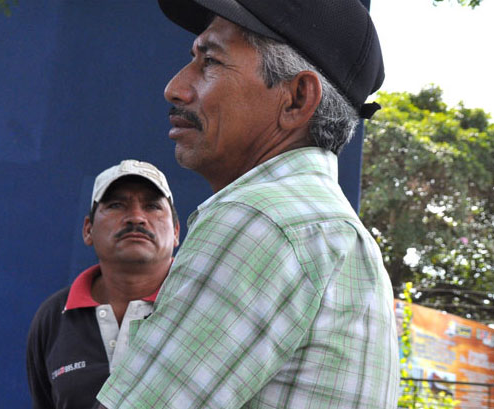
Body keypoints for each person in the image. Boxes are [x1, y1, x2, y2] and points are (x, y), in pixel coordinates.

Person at [96, 1, 399, 408]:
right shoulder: (338, 232)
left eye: (211, 62)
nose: (176, 88)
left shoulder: (260, 219)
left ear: (296, 99)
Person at [26, 160, 180, 409]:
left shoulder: (199, 304)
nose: (137, 218)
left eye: (152, 206)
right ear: (88, 230)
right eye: (117, 205)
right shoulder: (54, 316)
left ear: (175, 232)